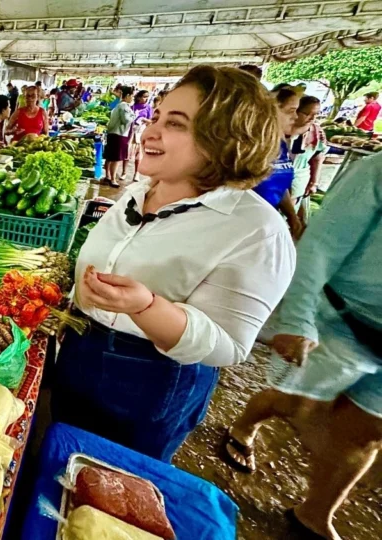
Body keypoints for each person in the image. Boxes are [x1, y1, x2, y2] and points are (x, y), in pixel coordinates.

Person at [52, 65, 295, 462]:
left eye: (176, 124)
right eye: (157, 117)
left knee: (118, 479)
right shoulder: (139, 191)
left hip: (151, 380)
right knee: (61, 457)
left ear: (224, 139)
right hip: (80, 350)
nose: (150, 131)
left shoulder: (256, 229)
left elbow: (229, 344)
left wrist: (146, 307)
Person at [222, 153, 382, 540]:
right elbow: (320, 245)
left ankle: (315, 513)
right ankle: (245, 424)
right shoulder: (376, 170)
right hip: (344, 319)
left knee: (368, 432)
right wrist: (298, 318)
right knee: (297, 402)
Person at [253, 85, 305, 240]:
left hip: (267, 223)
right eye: (290, 111)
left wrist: (292, 216)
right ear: (272, 110)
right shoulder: (250, 145)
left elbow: (280, 186)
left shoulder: (280, 144)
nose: (295, 117)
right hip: (247, 223)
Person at [290, 95, 327, 225]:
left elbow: (317, 158)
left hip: (298, 179)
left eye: (316, 114)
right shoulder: (282, 127)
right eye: (307, 114)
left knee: (287, 215)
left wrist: (313, 182)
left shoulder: (316, 133)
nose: (312, 118)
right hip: (275, 178)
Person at [102, 86, 136, 187]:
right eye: (132, 96)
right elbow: (126, 120)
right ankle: (113, 179)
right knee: (116, 158)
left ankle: (108, 176)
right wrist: (134, 116)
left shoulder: (119, 105)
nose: (132, 98)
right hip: (119, 135)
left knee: (110, 157)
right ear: (128, 95)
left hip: (113, 133)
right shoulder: (124, 106)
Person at [128, 89, 153, 183]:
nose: (146, 99)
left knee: (139, 154)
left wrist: (144, 120)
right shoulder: (132, 107)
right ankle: (123, 172)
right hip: (131, 132)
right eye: (144, 97)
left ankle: (136, 173)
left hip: (141, 132)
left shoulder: (148, 108)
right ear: (138, 97)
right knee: (128, 153)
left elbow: (151, 121)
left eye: (147, 97)